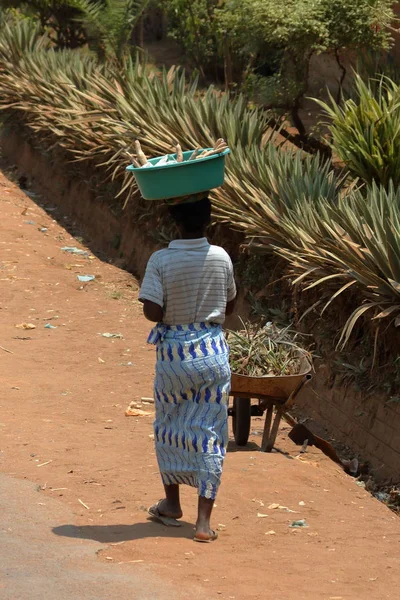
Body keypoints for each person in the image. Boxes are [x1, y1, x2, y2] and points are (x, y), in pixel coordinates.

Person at [138, 193, 236, 543]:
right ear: (208, 219)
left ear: (174, 221)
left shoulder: (161, 260)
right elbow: (230, 304)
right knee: (210, 433)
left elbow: (153, 312)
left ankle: (171, 502)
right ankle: (203, 523)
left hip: (174, 356)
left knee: (169, 426)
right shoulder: (221, 257)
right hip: (212, 352)